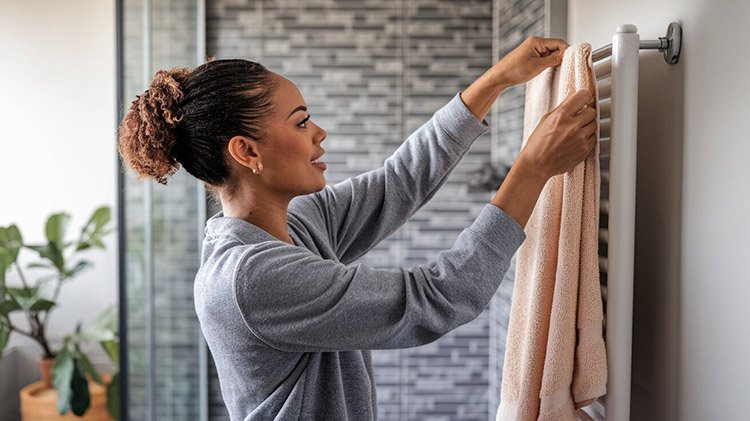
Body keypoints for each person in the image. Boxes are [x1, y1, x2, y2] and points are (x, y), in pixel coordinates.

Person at [118, 36, 597, 420]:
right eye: (302, 121)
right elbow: (437, 297)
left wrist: (496, 79)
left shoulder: (292, 225)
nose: (319, 133)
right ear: (246, 153)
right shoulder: (249, 278)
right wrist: (531, 169)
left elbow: (399, 181)